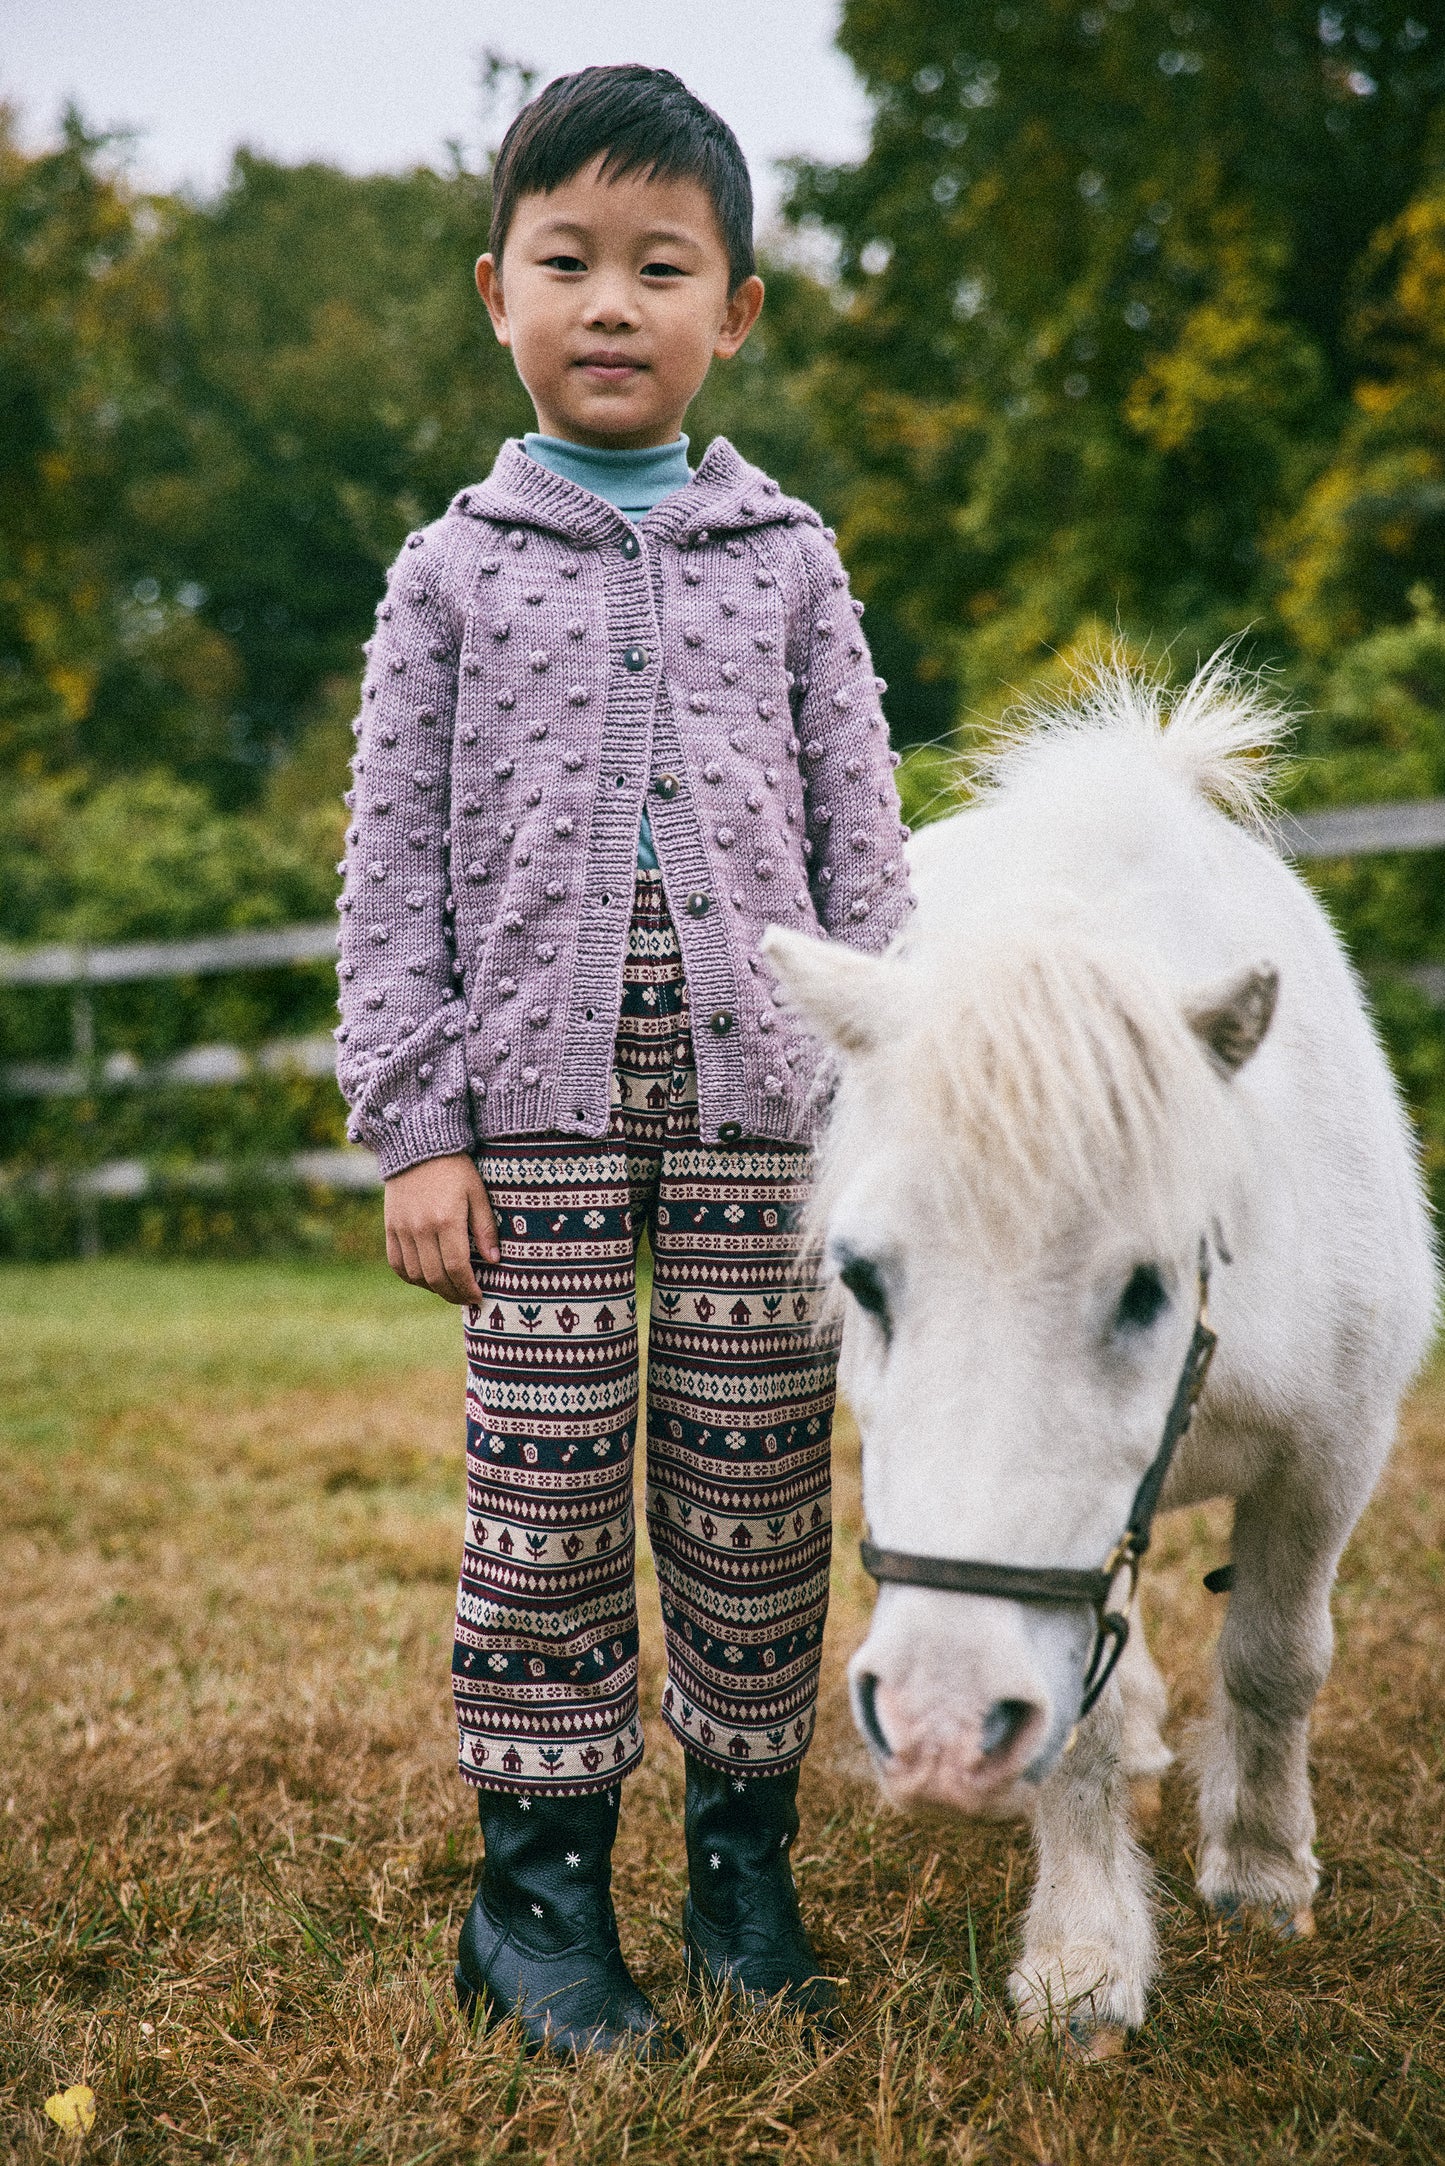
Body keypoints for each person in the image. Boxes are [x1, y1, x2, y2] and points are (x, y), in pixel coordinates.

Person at [335, 62, 913, 2058]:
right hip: (532, 1120)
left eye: (659, 267)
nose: (610, 302)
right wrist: (418, 1124)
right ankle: (538, 1904)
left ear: (731, 311)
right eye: (567, 262)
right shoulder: (452, 573)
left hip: (778, 1118)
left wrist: (890, 1089)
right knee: (553, 1499)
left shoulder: (793, 563)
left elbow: (867, 855)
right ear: (492, 289)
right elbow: (391, 863)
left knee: (755, 1498)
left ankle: (746, 1878)